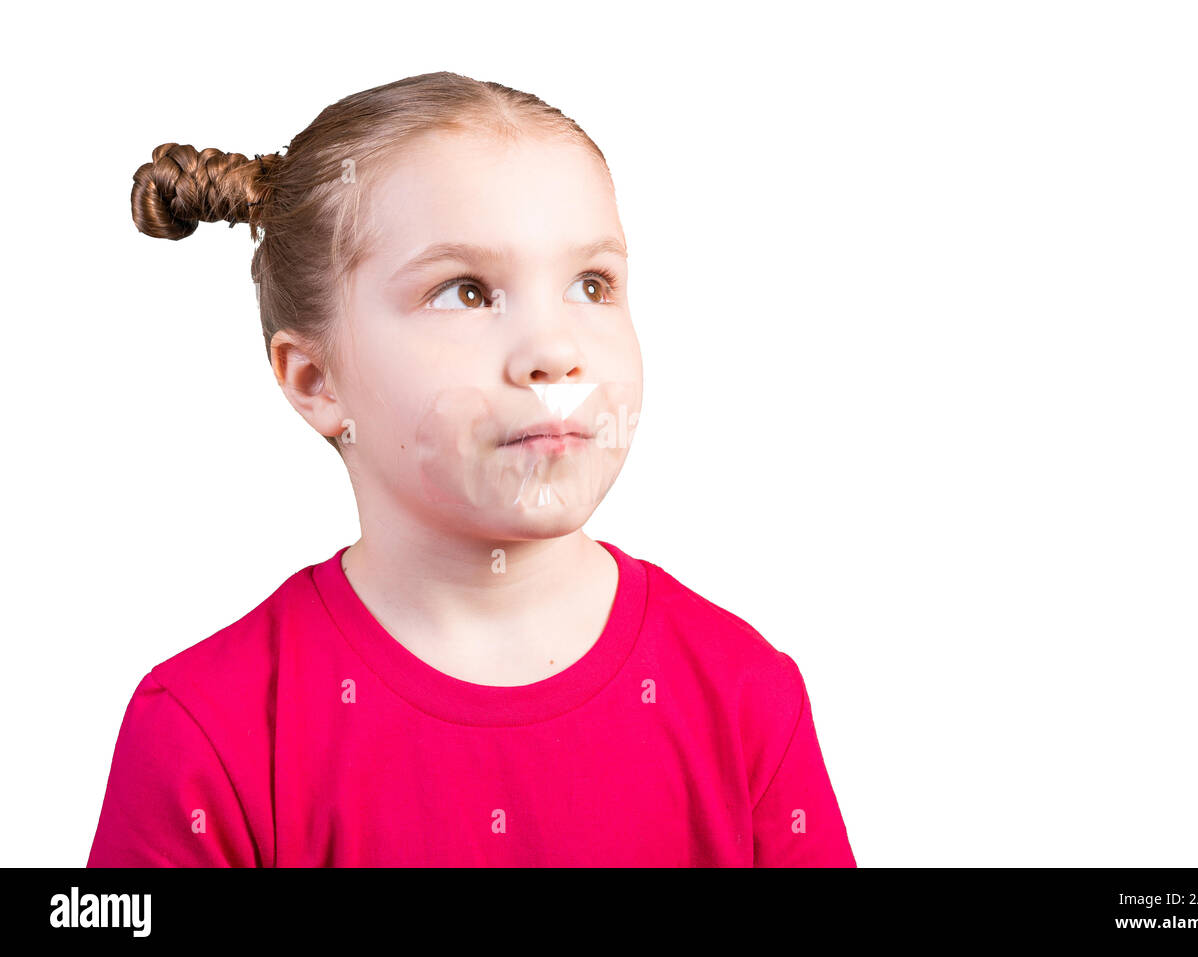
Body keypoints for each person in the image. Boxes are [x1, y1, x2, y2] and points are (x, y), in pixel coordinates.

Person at [88, 71, 855, 867]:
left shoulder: (745, 698)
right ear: (316, 380)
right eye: (466, 292)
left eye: (591, 284)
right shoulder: (204, 733)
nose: (555, 352)